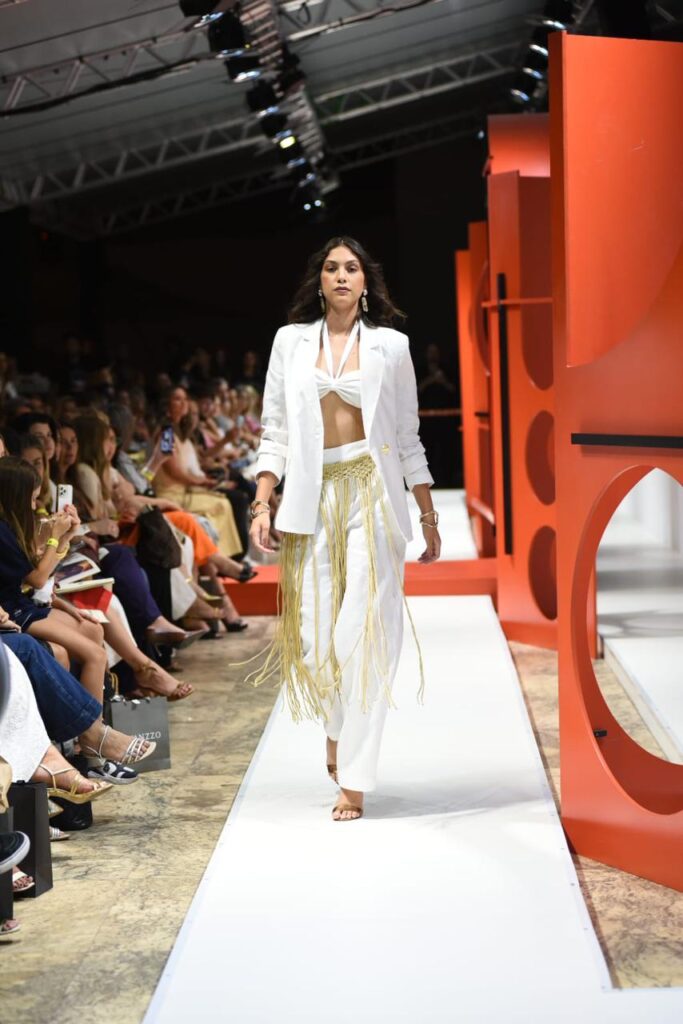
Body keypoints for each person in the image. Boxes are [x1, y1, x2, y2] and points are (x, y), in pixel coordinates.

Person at [247, 236, 441, 822]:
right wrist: (262, 502)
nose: (340, 276)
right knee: (313, 639)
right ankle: (335, 724)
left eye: (351, 268)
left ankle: (354, 779)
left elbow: (406, 436)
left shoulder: (391, 346)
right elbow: (275, 431)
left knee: (362, 632)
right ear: (319, 279)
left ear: (364, 281)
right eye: (331, 268)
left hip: (373, 495)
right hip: (312, 497)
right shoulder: (290, 342)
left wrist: (427, 515)